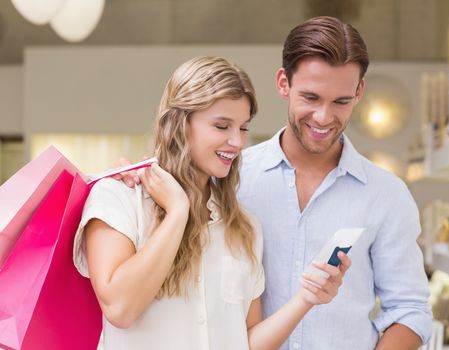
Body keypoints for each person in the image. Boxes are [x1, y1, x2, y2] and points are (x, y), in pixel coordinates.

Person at [119, 16, 432, 349]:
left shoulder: (387, 195)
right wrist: (130, 177)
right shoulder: (227, 179)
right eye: (311, 98)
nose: (324, 118)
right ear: (283, 83)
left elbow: (410, 311)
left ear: (359, 92)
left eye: (341, 101)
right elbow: (170, 188)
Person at [73, 56, 351, 350]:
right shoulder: (117, 199)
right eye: (221, 126)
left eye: (243, 128)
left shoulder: (244, 228)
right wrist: (178, 212)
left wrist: (307, 299)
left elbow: (245, 341)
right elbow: (119, 308)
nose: (237, 142)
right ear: (180, 124)